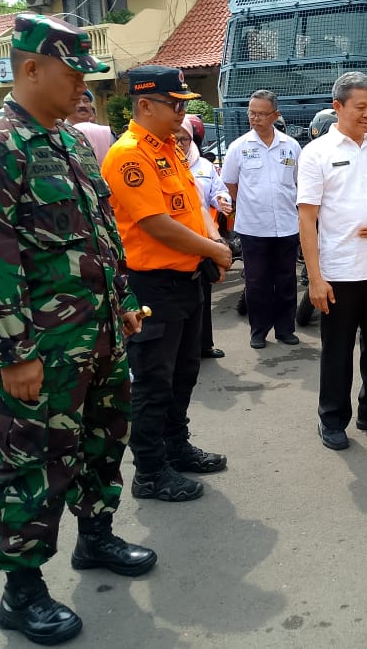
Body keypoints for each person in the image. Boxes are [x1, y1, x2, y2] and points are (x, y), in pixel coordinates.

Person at [0, 13, 156, 646]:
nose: (83, 88)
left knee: (103, 441)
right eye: (74, 75)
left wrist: (122, 301)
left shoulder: (68, 143)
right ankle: (21, 590)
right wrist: (14, 353)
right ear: (31, 69)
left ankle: (95, 536)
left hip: (99, 335)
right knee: (31, 463)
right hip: (40, 348)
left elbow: (101, 234)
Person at [101, 65, 233, 502]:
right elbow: (155, 224)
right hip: (151, 283)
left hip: (186, 278)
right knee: (154, 380)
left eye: (182, 105)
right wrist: (213, 250)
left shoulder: (170, 149)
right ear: (144, 105)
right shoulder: (129, 154)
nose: (181, 111)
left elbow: (190, 209)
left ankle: (176, 447)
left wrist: (212, 240)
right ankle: (150, 471)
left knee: (183, 373)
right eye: (174, 104)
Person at [297, 72, 367, 450]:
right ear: (338, 107)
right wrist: (315, 278)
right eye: (360, 107)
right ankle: (332, 418)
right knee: (338, 349)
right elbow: (307, 219)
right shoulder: (317, 154)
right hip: (341, 268)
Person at [221, 89, 302, 349]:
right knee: (257, 283)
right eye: (251, 113)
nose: (255, 118)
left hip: (287, 226)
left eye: (261, 114)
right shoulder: (239, 147)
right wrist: (251, 203)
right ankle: (258, 332)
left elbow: (299, 183)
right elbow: (231, 184)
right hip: (253, 228)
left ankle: (285, 329)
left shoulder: (291, 146)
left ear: (275, 115)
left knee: (287, 280)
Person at [178, 116, 232, 359]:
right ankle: (183, 349)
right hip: (177, 239)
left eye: (185, 138)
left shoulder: (203, 166)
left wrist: (223, 201)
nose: (180, 143)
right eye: (176, 138)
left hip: (205, 238)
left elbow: (218, 193)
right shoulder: (164, 164)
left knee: (202, 294)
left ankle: (204, 345)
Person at [67, 89, 114, 164]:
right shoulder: (59, 133)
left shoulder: (105, 133)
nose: (82, 105)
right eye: (76, 102)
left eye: (86, 101)